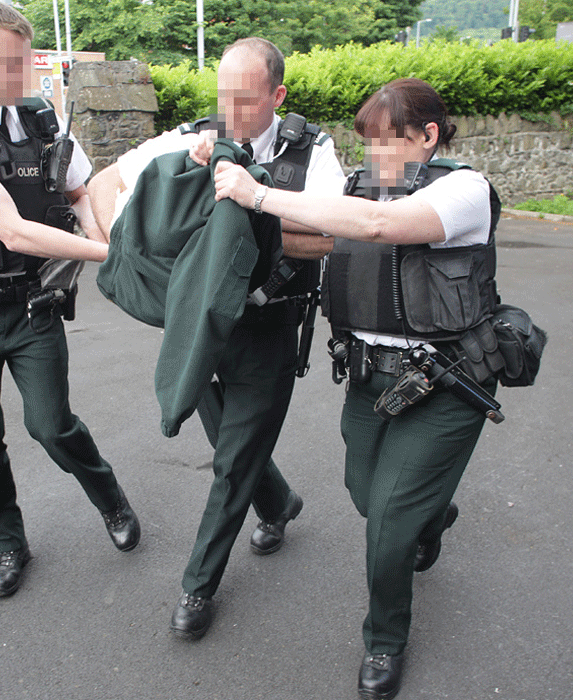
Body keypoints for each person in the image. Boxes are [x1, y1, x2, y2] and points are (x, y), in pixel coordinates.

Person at [212, 78, 503, 699]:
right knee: (367, 496)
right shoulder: (355, 194)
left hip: (447, 384)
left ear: (428, 137)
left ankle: (385, 640)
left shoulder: (464, 190)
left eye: (388, 142)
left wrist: (259, 194)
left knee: (387, 523)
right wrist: (225, 208)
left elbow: (376, 226)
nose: (374, 158)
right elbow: (316, 236)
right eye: (366, 142)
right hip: (371, 381)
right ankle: (432, 515)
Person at [89, 37, 345, 640]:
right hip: (201, 324)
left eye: (247, 98)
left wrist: (250, 204)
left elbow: (333, 232)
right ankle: (279, 504)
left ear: (278, 96)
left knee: (231, 460)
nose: (231, 110)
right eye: (223, 93)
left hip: (269, 324)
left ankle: (197, 585)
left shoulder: (312, 151)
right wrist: (127, 249)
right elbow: (104, 185)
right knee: (232, 439)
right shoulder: (191, 137)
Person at [0, 0, 139, 599]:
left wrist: (104, 235)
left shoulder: (42, 121)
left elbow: (83, 187)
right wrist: (110, 257)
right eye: (12, 64)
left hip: (31, 307)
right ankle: (8, 545)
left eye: (29, 63)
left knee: (51, 425)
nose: (26, 77)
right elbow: (12, 230)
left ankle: (111, 501)